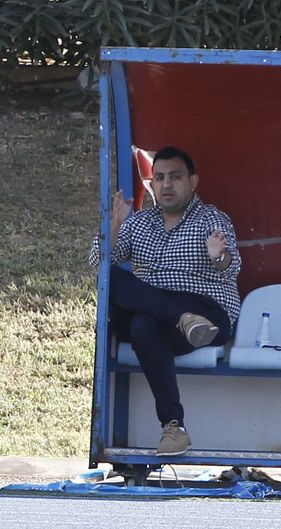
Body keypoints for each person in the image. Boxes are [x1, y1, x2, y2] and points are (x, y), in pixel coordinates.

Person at [90, 146, 241, 456]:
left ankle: (173, 426)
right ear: (152, 184)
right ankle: (175, 427)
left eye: (175, 177)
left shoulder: (211, 218)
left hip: (205, 314)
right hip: (160, 314)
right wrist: (114, 226)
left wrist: (218, 256)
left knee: (144, 324)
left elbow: (231, 265)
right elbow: (99, 261)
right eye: (159, 178)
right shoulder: (139, 223)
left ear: (193, 182)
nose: (167, 184)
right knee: (112, 279)